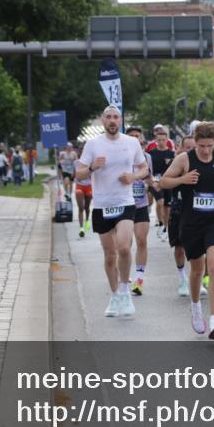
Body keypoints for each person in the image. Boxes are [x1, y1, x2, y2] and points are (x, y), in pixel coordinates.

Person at [160, 122, 214, 340]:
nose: (205, 150)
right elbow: (163, 182)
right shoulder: (184, 159)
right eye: (201, 145)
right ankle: (195, 308)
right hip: (191, 222)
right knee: (197, 270)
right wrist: (182, 179)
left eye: (210, 146)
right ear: (195, 142)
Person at [75, 106, 150, 318]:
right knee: (110, 255)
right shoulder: (93, 144)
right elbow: (78, 174)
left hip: (125, 202)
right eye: (108, 117)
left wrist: (133, 177)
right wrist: (91, 168)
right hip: (101, 205)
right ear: (102, 121)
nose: (112, 120)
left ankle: (125, 291)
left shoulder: (131, 142)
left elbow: (144, 168)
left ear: (121, 120)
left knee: (125, 248)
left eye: (116, 117)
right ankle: (115, 294)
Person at [164, 135, 196, 297]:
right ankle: (182, 277)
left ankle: (197, 278)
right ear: (181, 148)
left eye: (194, 147)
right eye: (188, 147)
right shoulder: (176, 163)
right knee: (179, 245)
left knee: (199, 246)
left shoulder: (205, 162)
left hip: (198, 208)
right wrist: (183, 179)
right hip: (179, 207)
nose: (191, 150)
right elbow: (164, 183)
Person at [126, 126, 156, 295]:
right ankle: (124, 275)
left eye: (138, 136)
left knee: (142, 240)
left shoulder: (147, 157)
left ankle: (139, 278)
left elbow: (148, 177)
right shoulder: (121, 156)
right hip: (124, 205)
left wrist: (153, 183)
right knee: (125, 244)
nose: (136, 139)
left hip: (141, 204)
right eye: (132, 136)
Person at [147, 125, 176, 241]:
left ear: (167, 140)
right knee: (160, 202)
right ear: (155, 140)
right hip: (155, 181)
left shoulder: (171, 153)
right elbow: (148, 169)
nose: (161, 142)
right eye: (159, 140)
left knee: (167, 206)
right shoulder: (151, 153)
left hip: (167, 182)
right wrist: (151, 180)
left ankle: (166, 226)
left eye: (163, 140)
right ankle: (160, 222)